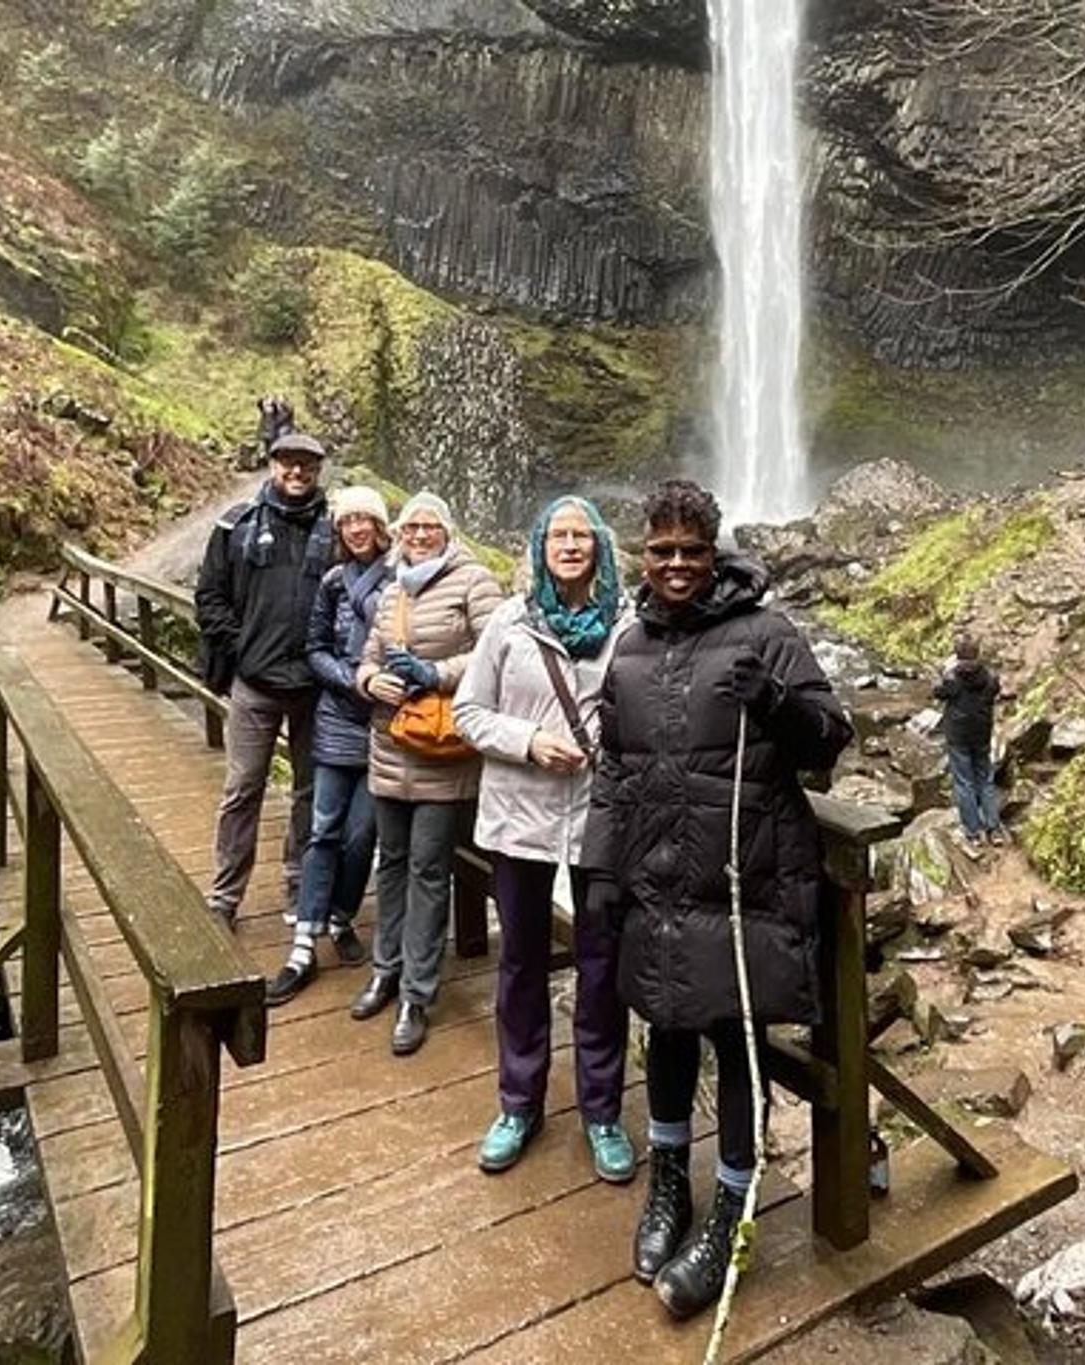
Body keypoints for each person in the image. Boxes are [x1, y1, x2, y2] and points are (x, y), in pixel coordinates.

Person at [583, 478, 852, 1322]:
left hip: (742, 882)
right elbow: (612, 771)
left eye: (691, 552)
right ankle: (670, 1187)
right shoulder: (629, 646)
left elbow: (829, 740)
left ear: (714, 552)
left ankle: (732, 1209)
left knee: (734, 1039)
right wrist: (598, 871)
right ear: (642, 554)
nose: (675, 566)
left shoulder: (766, 632)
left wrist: (773, 700)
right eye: (660, 551)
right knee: (663, 1027)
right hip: (658, 878)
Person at [454, 496, 634, 1183]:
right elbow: (468, 711)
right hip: (520, 817)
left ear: (600, 547)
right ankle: (518, 1102)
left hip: (600, 816)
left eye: (580, 535)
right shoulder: (509, 621)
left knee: (602, 967)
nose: (569, 545)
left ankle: (602, 1110)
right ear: (539, 545)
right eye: (558, 534)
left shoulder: (628, 624)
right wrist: (528, 741)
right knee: (521, 964)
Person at [349, 493, 503, 1056]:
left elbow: (495, 649)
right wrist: (370, 682)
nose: (418, 534)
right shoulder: (392, 589)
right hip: (391, 743)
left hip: (441, 751)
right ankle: (384, 970)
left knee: (429, 868)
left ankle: (417, 992)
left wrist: (435, 673)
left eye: (428, 526)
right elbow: (367, 655)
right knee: (389, 862)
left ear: (446, 531)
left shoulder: (474, 581)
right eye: (410, 526)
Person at [194, 427, 335, 927]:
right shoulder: (236, 525)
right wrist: (243, 648)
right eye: (287, 463)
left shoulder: (337, 528)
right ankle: (225, 894)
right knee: (243, 787)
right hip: (255, 683)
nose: (296, 472)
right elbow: (209, 596)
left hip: (316, 686)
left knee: (309, 791)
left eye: (307, 464)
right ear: (272, 465)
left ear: (319, 470)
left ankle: (298, 888)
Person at [268, 485, 394, 1005]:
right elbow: (314, 647)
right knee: (322, 829)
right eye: (348, 522)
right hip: (338, 717)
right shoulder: (334, 582)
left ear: (380, 526)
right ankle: (304, 942)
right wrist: (350, 680)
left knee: (362, 835)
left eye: (365, 520)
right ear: (340, 530)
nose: (357, 528)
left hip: (385, 725)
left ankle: (340, 916)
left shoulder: (401, 578)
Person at [936, 634, 1006, 851]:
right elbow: (996, 689)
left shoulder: (953, 679)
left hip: (958, 736)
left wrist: (944, 671)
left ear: (957, 656)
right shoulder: (988, 678)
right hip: (981, 734)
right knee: (985, 779)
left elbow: (938, 692)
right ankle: (993, 829)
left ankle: (973, 832)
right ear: (977, 654)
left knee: (964, 782)